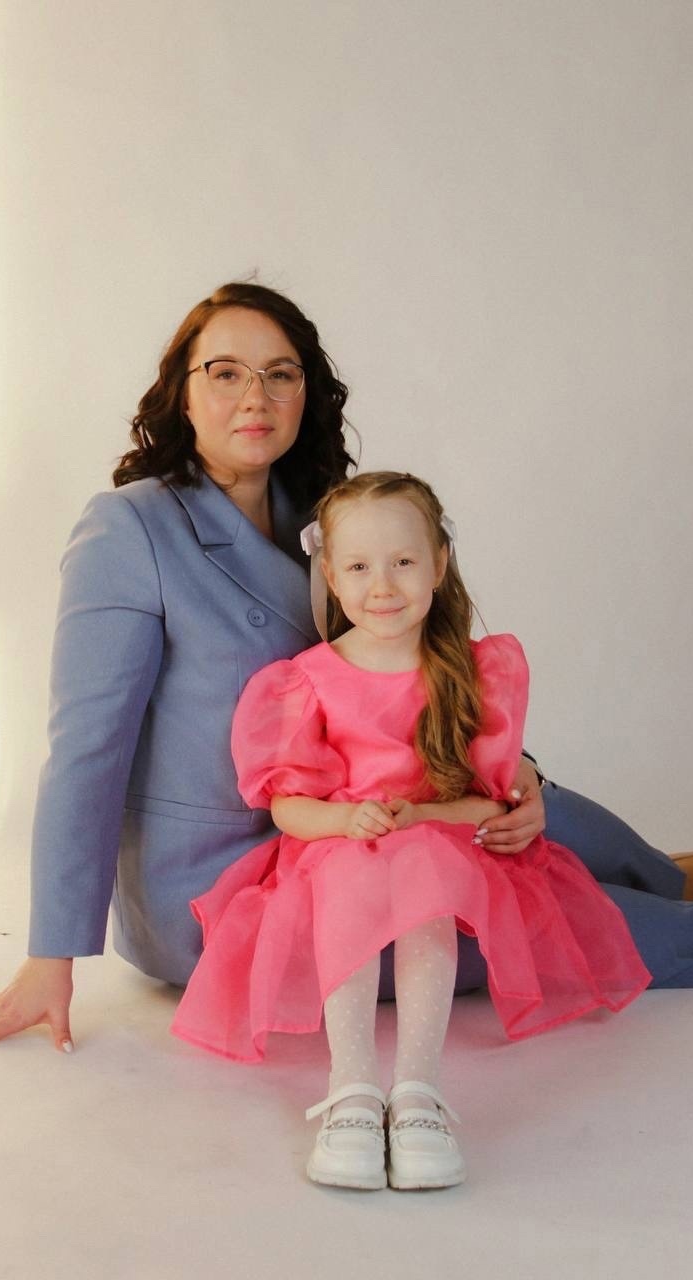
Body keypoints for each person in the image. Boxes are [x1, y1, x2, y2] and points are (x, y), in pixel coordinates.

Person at [0, 281, 693, 1056]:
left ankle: (673, 879)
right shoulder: (129, 528)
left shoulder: (325, 516)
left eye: (279, 374)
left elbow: (410, 675)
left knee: (542, 809)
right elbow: (88, 747)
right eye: (224, 373)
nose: (254, 396)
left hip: (373, 822)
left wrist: (514, 774)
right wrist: (50, 955)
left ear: (306, 394)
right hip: (235, 885)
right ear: (181, 393)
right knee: (553, 923)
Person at [170, 472, 652, 1190]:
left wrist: (420, 817)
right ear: (330, 576)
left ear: (439, 563)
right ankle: (353, 1090)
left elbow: (486, 804)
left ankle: (418, 1092)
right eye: (359, 567)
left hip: (444, 856)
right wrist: (344, 819)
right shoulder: (305, 681)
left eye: (402, 561)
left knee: (423, 865)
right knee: (351, 868)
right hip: (338, 851)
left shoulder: (470, 673)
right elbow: (286, 806)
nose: (383, 586)